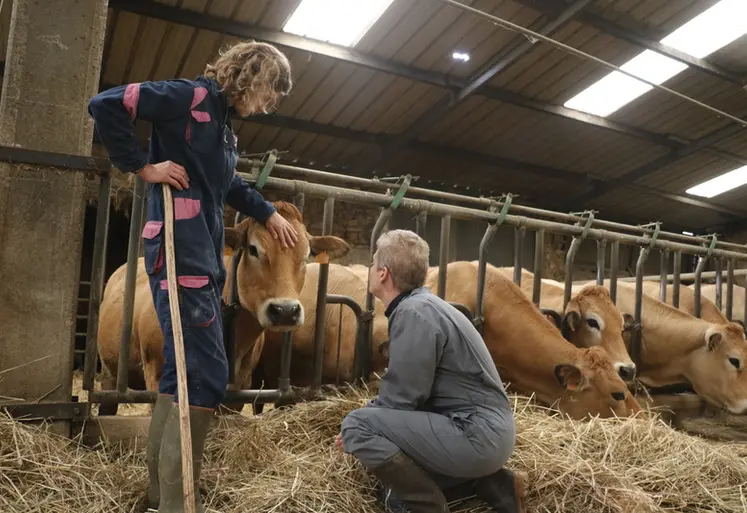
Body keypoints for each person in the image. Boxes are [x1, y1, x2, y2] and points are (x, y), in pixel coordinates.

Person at [87, 41, 299, 513]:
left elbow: (229, 185)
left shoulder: (223, 127)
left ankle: (161, 496)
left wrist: (268, 212)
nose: (270, 103)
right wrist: (143, 166)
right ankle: (179, 503)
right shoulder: (189, 97)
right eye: (271, 90)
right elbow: (106, 104)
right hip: (178, 249)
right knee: (207, 373)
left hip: (200, 253)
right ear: (252, 74)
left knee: (181, 378)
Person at [336, 230, 526, 513]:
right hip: (485, 434)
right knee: (387, 477)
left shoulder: (414, 313)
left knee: (357, 426)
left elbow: (403, 397)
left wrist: (366, 420)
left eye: (373, 263)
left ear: (384, 274)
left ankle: (422, 505)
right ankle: (489, 483)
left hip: (475, 434)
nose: (371, 270)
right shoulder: (427, 305)